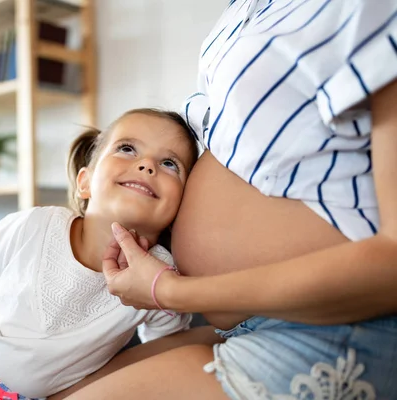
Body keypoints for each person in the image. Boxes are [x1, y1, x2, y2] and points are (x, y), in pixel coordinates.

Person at [54, 1, 397, 399]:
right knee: (57, 389)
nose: (148, 167)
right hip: (235, 322)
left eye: (170, 163)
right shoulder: (244, 9)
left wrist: (167, 292)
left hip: (323, 330)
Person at [0, 108, 199, 399]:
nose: (147, 165)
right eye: (127, 148)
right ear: (85, 183)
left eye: (170, 164)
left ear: (180, 207)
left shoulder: (162, 276)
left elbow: (162, 351)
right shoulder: (36, 225)